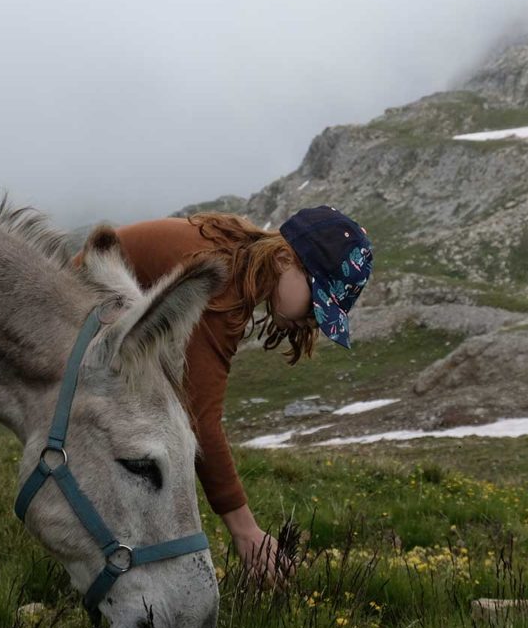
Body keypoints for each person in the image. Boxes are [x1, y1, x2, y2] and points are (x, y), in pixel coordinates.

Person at [110, 206, 373, 583]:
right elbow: (200, 419)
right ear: (285, 259)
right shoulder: (220, 282)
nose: (315, 318)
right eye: (317, 298)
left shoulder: (234, 255)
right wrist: (246, 530)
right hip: (69, 323)